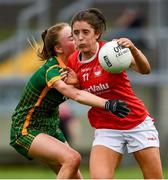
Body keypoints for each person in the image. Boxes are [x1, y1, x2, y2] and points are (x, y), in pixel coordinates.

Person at [9, 23, 130, 179]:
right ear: (59, 48)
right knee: (73, 159)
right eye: (72, 37)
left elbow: (89, 88)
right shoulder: (52, 68)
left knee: (75, 174)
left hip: (51, 127)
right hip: (26, 129)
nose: (79, 38)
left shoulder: (75, 66)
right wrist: (107, 104)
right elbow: (74, 94)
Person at [65, 8, 163, 179]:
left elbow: (145, 70)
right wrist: (77, 84)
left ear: (96, 33)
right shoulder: (73, 61)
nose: (80, 37)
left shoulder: (112, 49)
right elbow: (83, 94)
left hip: (136, 122)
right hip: (106, 127)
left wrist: (133, 49)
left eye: (85, 32)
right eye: (76, 33)